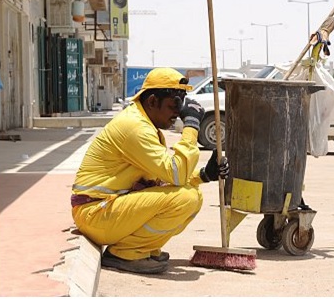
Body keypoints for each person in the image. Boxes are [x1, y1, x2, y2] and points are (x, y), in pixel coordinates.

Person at [70, 68, 229, 274]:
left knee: (191, 195)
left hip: (104, 212)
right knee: (186, 199)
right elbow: (176, 174)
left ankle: (137, 248)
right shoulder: (135, 127)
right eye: (174, 106)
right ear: (153, 101)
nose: (177, 114)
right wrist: (191, 126)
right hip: (96, 214)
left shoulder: (144, 124)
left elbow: (162, 180)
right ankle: (127, 253)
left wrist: (204, 175)